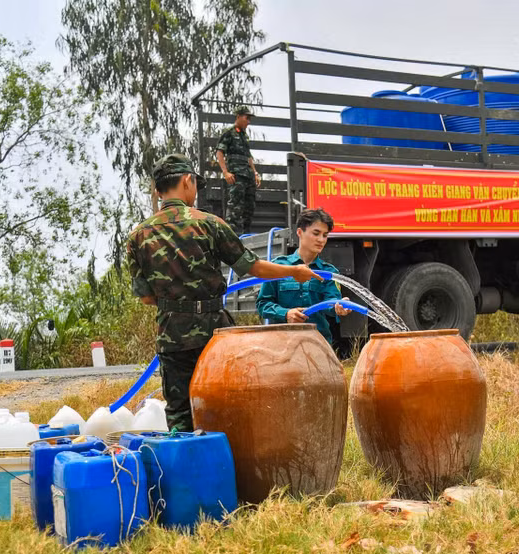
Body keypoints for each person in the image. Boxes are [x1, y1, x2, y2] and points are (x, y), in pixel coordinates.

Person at [127, 153, 320, 431]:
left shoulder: (138, 236)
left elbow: (146, 297)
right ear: (186, 181)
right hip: (215, 334)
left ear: (158, 190)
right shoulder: (209, 223)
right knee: (228, 401)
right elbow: (252, 267)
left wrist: (176, 303)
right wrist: (294, 270)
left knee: (180, 412)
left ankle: (186, 468)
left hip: (172, 335)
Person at [256, 209, 351, 346]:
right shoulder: (278, 267)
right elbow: (263, 304)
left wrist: (339, 306)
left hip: (317, 345)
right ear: (300, 232)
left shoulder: (328, 272)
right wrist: (286, 314)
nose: (321, 240)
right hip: (281, 345)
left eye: (325, 235)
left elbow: (331, 301)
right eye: (316, 233)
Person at [215, 105, 261, 234]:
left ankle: (246, 235)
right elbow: (219, 152)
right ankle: (231, 236)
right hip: (236, 175)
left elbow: (248, 156)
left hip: (248, 175)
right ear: (239, 117)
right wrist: (225, 172)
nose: (248, 121)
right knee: (235, 207)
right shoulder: (229, 132)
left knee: (249, 207)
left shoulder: (244, 136)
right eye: (247, 118)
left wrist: (255, 173)